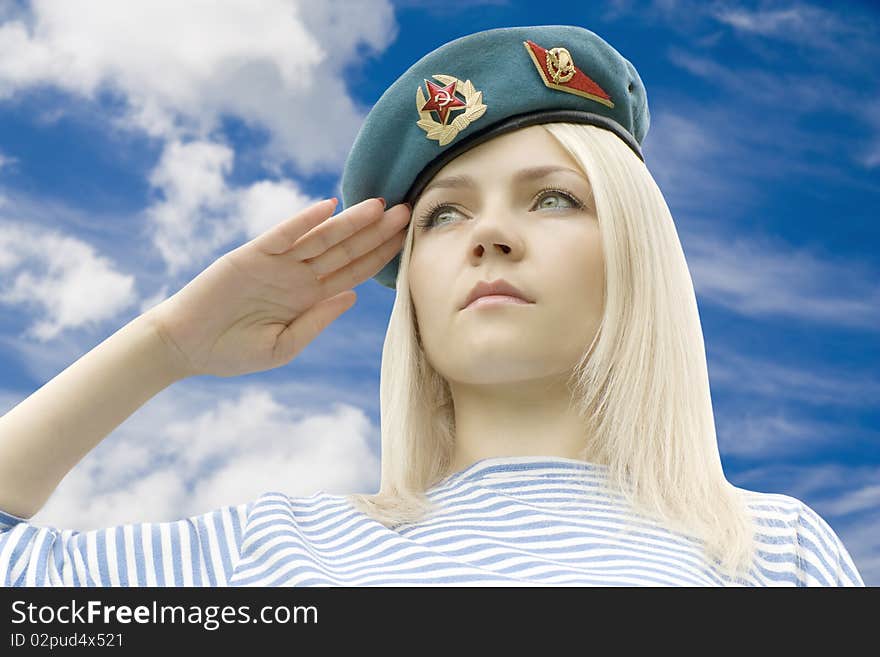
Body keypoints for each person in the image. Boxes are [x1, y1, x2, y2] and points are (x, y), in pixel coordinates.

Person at [0, 25, 865, 587]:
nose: (489, 234)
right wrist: (168, 344)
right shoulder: (278, 555)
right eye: (447, 213)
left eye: (553, 198)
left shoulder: (770, 551)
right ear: (410, 285)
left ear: (637, 250)